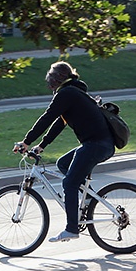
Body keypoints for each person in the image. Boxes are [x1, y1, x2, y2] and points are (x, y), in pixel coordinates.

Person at [14, 61, 115, 242]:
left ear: (55, 80)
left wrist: (26, 142)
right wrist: (42, 145)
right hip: (98, 144)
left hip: (96, 145)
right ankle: (88, 199)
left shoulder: (67, 93)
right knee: (63, 163)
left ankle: (71, 229)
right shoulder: (74, 92)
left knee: (69, 184)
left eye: (50, 80)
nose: (49, 84)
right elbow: (59, 122)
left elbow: (47, 118)